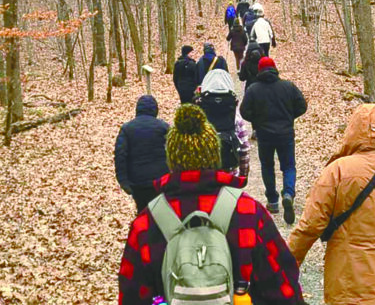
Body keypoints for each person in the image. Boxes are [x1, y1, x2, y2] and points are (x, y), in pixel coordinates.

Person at [118, 104, 306, 305]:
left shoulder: (147, 222)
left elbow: (131, 295)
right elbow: (283, 289)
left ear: (170, 160)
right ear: (215, 156)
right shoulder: (249, 212)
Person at [288, 104, 375, 305]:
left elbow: (310, 225)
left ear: (351, 131)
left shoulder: (336, 171)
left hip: (346, 281)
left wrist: (288, 262)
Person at [240, 57, 307, 225]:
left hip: (265, 135)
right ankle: (288, 194)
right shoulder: (288, 86)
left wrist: (257, 120)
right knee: (289, 166)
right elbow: (302, 106)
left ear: (259, 70)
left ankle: (272, 201)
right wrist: (289, 117)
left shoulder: (254, 89)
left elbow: (244, 111)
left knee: (268, 166)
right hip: (286, 134)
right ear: (275, 69)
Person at [114, 95, 170, 213]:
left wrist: (123, 181)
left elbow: (120, 155)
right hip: (160, 181)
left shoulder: (127, 129)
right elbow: (174, 152)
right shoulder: (163, 127)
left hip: (137, 182)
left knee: (142, 213)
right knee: (160, 214)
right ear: (155, 110)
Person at [196, 69, 247, 175]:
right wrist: (243, 173)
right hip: (230, 176)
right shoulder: (235, 118)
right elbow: (244, 149)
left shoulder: (197, 117)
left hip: (204, 177)